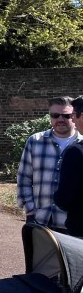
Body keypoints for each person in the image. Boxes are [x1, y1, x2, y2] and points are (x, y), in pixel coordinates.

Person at [18, 96, 82, 232]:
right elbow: (24, 179)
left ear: (74, 116)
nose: (60, 119)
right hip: (40, 220)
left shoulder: (81, 145)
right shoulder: (35, 141)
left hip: (73, 224)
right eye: (55, 115)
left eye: (66, 115)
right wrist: (30, 211)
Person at [53, 96, 83, 237]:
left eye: (72, 116)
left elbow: (65, 199)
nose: (73, 121)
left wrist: (56, 198)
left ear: (81, 116)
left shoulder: (76, 151)